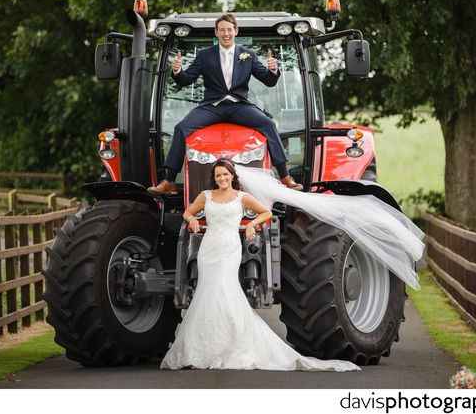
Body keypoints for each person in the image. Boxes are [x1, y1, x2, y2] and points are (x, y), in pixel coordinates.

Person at [160, 159, 425, 371]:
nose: (222, 179)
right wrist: (192, 220)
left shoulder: (241, 197)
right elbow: (189, 212)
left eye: (225, 175)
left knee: (225, 292)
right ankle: (205, 346)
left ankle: (228, 345)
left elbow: (264, 213)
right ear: (214, 177)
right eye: (218, 175)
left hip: (229, 247)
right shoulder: (206, 196)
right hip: (210, 249)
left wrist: (252, 224)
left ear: (232, 177)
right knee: (209, 292)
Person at [148, 13, 303, 195]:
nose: (226, 33)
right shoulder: (205, 55)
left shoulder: (248, 55)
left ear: (235, 31)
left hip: (239, 106)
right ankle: (169, 181)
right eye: (222, 30)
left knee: (268, 124)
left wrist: (273, 70)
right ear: (216, 32)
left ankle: (285, 176)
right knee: (181, 127)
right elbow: (186, 80)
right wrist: (178, 71)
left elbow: (268, 80)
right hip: (212, 107)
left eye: (229, 30)